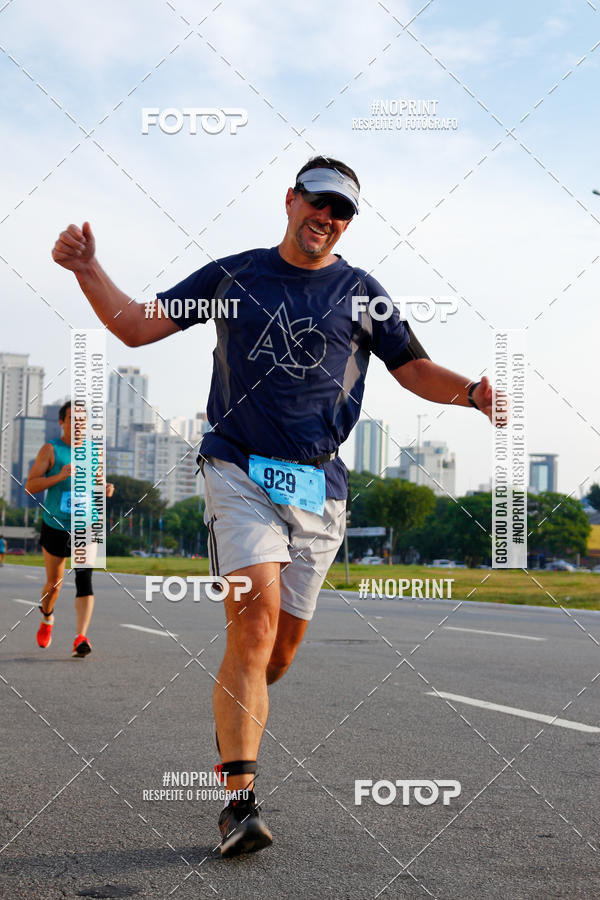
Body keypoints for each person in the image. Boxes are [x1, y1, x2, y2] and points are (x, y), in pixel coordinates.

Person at [51, 156, 494, 855]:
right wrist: (87, 269)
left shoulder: (362, 293)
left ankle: (236, 720)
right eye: (318, 201)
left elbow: (412, 368)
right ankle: (240, 805)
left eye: (342, 212)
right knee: (253, 630)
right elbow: (136, 326)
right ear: (290, 200)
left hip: (320, 488)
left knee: (275, 657)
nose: (327, 218)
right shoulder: (234, 277)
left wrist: (471, 393)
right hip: (238, 471)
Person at [25, 401, 114, 656]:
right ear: (62, 422)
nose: (79, 424)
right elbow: (30, 486)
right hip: (55, 524)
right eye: (73, 419)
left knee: (84, 577)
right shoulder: (50, 450)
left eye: (82, 420)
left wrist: (106, 488)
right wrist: (59, 476)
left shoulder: (94, 451)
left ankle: (81, 637)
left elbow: (98, 483)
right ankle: (47, 617)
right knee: (54, 584)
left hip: (87, 523)